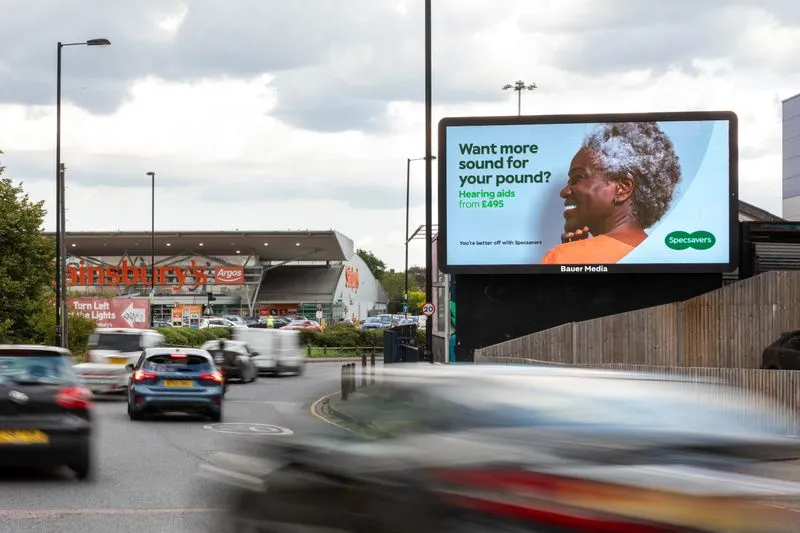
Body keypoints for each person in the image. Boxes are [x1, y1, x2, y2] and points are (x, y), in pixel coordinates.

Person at [541, 121, 681, 265]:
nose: (564, 192)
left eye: (578, 177)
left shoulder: (561, 258)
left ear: (623, 188)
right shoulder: (671, 260)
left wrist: (569, 261)